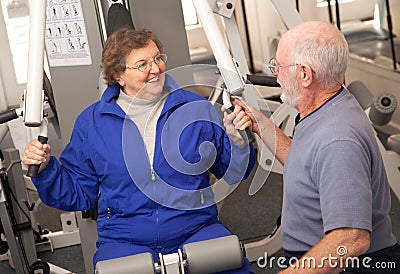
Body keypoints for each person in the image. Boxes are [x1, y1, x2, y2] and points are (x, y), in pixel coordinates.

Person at [22, 28, 256, 273]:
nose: (155, 69)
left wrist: (238, 142)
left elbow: (233, 174)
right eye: (142, 64)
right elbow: (78, 194)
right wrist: (47, 170)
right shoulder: (92, 123)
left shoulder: (195, 108)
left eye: (157, 58)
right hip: (125, 237)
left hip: (195, 227)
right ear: (118, 75)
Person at [232, 21, 400, 273]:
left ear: (305, 75)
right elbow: (306, 167)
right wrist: (260, 123)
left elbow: (351, 239)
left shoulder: (337, 139)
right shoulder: (326, 108)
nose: (275, 73)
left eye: (278, 66)